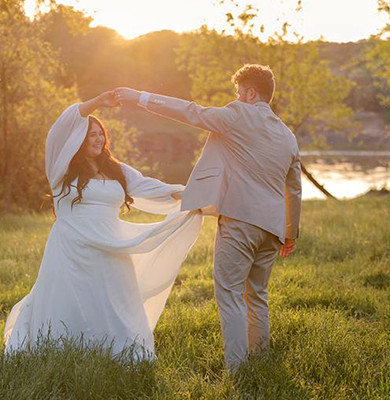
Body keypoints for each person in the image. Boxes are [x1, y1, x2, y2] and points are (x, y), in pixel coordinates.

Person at [114, 63, 302, 370]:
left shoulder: (238, 114)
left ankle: (238, 370)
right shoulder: (287, 136)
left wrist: (141, 97)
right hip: (272, 228)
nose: (238, 96)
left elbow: (191, 112)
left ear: (251, 92)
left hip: (240, 220)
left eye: (240, 92)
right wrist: (291, 233)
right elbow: (293, 189)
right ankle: (261, 363)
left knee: (229, 295)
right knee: (257, 296)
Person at [3, 90, 204, 361]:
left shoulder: (115, 169)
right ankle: (63, 355)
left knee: (115, 303)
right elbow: (61, 126)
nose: (97, 139)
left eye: (100, 134)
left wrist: (192, 195)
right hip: (72, 247)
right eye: (90, 134)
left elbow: (149, 186)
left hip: (111, 247)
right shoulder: (61, 170)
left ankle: (118, 354)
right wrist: (96, 102)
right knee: (70, 301)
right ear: (77, 140)